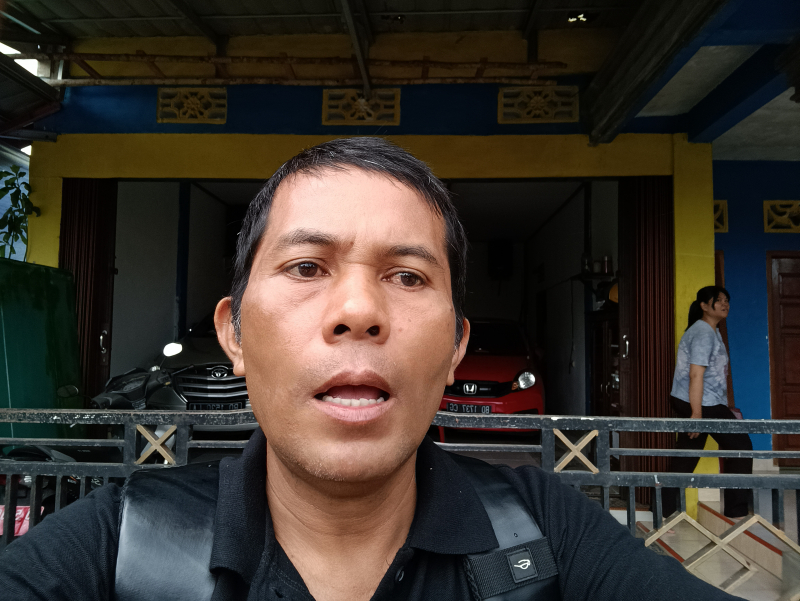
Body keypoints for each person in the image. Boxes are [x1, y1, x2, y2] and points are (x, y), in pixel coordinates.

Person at [1, 138, 743, 600]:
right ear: (234, 333)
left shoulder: (545, 530)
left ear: (455, 345)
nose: (358, 310)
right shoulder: (120, 541)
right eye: (306, 266)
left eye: (408, 276)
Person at [662, 286, 753, 519]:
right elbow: (696, 375)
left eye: (727, 300)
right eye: (718, 300)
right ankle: (736, 511)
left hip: (700, 401)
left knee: (686, 456)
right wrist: (696, 414)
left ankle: (663, 512)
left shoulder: (712, 330)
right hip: (702, 403)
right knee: (741, 446)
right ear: (704, 306)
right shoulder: (703, 332)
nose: (725, 304)